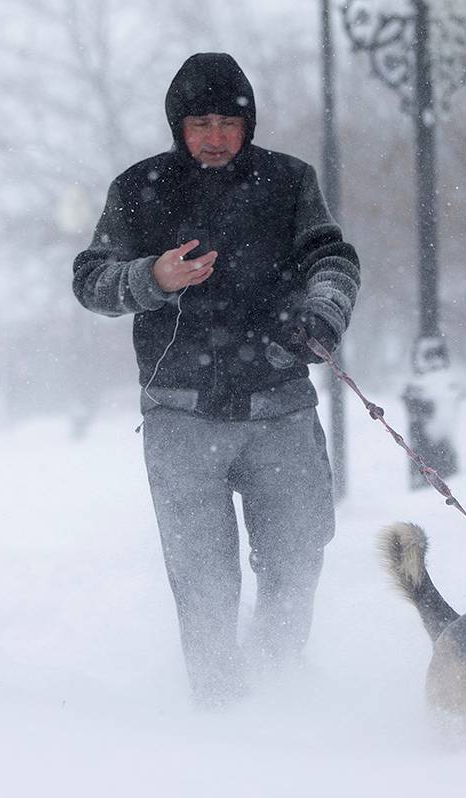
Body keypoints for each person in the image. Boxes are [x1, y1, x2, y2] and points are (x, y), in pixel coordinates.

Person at [72, 53, 361, 706]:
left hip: (280, 409)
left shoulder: (289, 182)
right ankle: (221, 718)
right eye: (200, 121)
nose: (215, 135)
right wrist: (152, 276)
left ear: (248, 122)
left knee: (295, 564)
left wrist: (323, 312)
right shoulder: (139, 188)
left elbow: (332, 257)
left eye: (229, 121)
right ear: (179, 124)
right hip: (181, 416)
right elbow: (91, 279)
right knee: (204, 583)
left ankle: (282, 694)